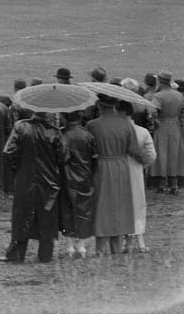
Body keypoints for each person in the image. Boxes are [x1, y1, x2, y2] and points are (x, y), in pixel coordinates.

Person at [0, 107, 68, 263]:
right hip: (49, 180)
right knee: (47, 216)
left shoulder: (21, 127)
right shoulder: (55, 132)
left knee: (21, 215)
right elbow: (64, 157)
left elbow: (8, 152)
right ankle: (45, 254)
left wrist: (18, 168)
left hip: (25, 177)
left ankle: (16, 254)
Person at [87, 95, 143, 255]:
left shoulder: (92, 125)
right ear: (115, 106)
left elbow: (88, 147)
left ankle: (99, 249)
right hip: (121, 167)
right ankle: (116, 248)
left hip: (101, 167)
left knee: (101, 205)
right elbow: (134, 149)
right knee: (120, 205)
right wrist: (144, 161)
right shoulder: (125, 124)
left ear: (99, 105)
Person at [58, 110, 96, 259]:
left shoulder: (61, 135)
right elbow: (95, 159)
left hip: (66, 177)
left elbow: (60, 157)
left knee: (66, 210)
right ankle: (81, 245)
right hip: (85, 177)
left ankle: (69, 246)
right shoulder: (88, 135)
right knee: (84, 211)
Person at [123, 101, 156, 253]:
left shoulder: (118, 131)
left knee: (122, 204)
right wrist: (142, 166)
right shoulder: (142, 132)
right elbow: (151, 155)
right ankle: (140, 241)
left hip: (119, 170)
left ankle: (127, 241)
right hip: (136, 170)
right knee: (138, 204)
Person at [148, 71, 184, 194]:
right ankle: (174, 183)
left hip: (163, 125)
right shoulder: (179, 95)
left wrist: (155, 121)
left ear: (160, 81)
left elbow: (152, 111)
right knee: (175, 153)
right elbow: (183, 111)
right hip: (175, 126)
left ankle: (162, 182)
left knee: (162, 152)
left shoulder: (158, 96)